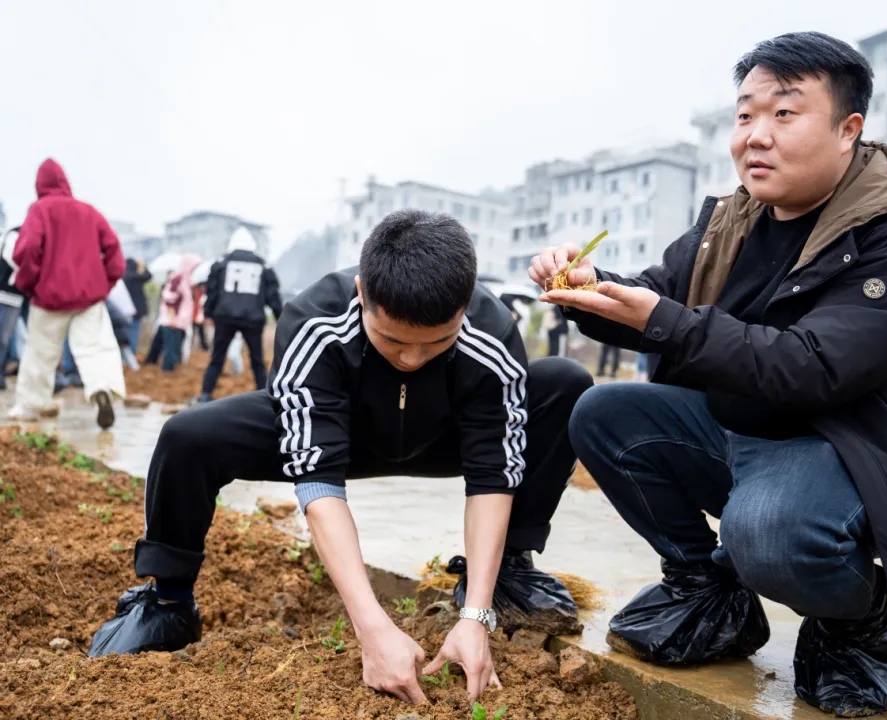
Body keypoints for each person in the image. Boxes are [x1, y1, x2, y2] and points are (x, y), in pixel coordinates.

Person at [530, 32, 887, 717]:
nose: (755, 135)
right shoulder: (731, 220)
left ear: (848, 129)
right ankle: (707, 589)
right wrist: (587, 287)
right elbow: (658, 297)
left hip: (851, 450)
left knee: (765, 531)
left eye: (784, 113)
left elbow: (815, 366)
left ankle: (863, 615)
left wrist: (665, 319)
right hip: (741, 431)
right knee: (602, 414)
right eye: (745, 115)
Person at [88, 210, 593, 707]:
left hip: (443, 436)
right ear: (361, 294)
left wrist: (476, 617)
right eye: (393, 340)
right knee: (188, 436)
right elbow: (318, 482)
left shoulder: (491, 332)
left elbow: (493, 475)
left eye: (437, 342)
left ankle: (506, 571)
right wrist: (373, 629)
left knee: (565, 385)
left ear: (463, 310)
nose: (412, 359)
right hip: (339, 433)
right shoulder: (315, 321)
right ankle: (170, 600)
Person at [8, 158, 126, 429]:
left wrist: (30, 284)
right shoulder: (89, 212)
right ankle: (100, 389)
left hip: (49, 297)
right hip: (88, 297)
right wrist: (104, 283)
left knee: (40, 353)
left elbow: (27, 248)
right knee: (94, 348)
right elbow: (114, 252)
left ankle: (29, 407)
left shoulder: (40, 210)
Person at [195, 227, 282, 402]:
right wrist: (280, 316)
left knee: (217, 357)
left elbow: (212, 290)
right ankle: (266, 398)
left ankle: (205, 394)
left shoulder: (222, 262)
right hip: (253, 318)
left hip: (225, 317)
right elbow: (272, 294)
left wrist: (208, 313)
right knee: (257, 360)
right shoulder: (263, 264)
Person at [157, 260, 198, 372]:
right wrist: (172, 319)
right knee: (170, 351)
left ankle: (171, 372)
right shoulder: (178, 280)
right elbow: (170, 300)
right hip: (173, 321)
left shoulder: (187, 280)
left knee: (176, 349)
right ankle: (166, 373)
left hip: (180, 322)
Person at [0, 226, 26, 390]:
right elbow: (14, 259)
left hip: (15, 296)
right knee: (3, 338)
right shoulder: (15, 235)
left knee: (4, 338)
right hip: (9, 292)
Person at [123, 258, 153, 354]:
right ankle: (131, 352)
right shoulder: (137, 277)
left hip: (125, 310)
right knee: (134, 331)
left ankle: (126, 353)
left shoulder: (125, 276)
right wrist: (143, 266)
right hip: (137, 310)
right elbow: (148, 276)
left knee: (126, 331)